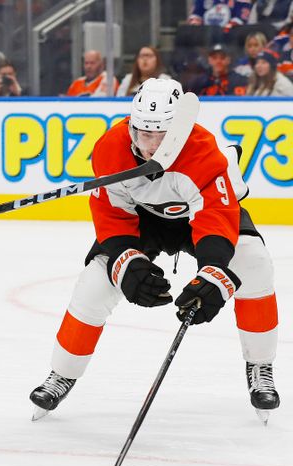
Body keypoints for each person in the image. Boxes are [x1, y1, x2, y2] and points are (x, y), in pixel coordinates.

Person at [28, 78, 280, 424]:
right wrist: (128, 264)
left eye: (160, 135)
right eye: (143, 133)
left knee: (254, 261)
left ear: (178, 130)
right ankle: (62, 373)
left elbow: (216, 216)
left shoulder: (204, 150)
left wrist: (212, 273)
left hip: (201, 218)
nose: (149, 146)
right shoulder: (109, 149)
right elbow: (113, 218)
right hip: (143, 220)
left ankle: (260, 364)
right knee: (94, 283)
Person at [187, 0, 252, 29]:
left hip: (230, 35)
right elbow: (195, 15)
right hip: (205, 35)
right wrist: (195, 25)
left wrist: (224, 29)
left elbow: (239, 19)